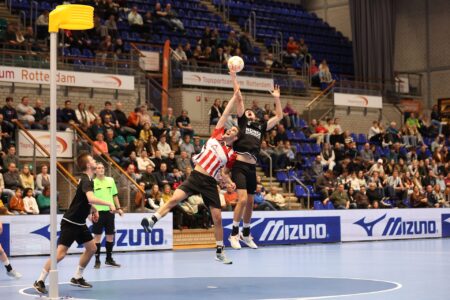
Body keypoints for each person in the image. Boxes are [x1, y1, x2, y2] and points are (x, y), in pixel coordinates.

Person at [141, 72, 241, 264]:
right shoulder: (216, 135)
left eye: (234, 131)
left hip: (210, 182)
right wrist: (234, 97)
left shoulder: (231, 154)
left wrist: (229, 182)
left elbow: (223, 172)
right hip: (196, 175)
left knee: (218, 218)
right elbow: (226, 113)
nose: (230, 130)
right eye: (230, 128)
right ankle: (152, 220)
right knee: (175, 199)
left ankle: (220, 250)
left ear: (235, 138)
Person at [33, 153, 116, 294]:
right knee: (60, 254)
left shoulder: (88, 179)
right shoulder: (86, 180)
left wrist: (93, 210)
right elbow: (90, 198)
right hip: (71, 222)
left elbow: (85, 200)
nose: (95, 161)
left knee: (91, 248)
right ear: (89, 165)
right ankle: (39, 280)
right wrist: (109, 203)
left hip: (79, 223)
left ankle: (77, 277)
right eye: (92, 160)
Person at [228, 84, 283, 250]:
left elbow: (279, 115)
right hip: (239, 165)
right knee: (243, 199)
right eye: (247, 111)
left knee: (250, 203)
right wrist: (235, 82)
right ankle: (233, 234)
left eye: (251, 112)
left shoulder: (260, 126)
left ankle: (246, 234)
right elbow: (239, 100)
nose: (248, 112)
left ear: (256, 116)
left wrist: (276, 98)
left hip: (252, 168)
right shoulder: (243, 122)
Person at [92, 162, 123, 269]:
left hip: (110, 212)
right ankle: (97, 260)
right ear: (95, 170)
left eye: (102, 168)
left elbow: (115, 195)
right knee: (97, 237)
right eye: (98, 168)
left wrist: (118, 208)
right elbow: (90, 199)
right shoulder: (92, 182)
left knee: (110, 235)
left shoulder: (110, 180)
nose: (101, 169)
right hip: (98, 212)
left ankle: (109, 259)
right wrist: (92, 211)